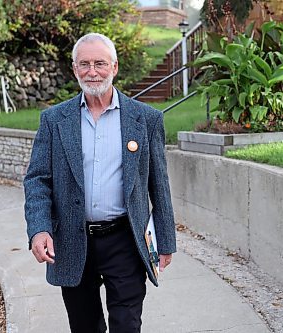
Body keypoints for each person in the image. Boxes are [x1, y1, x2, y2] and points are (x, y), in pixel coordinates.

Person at [23, 32, 176, 333]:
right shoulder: (54, 120)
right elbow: (37, 180)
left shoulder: (146, 119)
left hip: (125, 240)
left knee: (126, 324)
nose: (92, 72)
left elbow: (159, 184)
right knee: (84, 325)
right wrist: (39, 229)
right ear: (74, 69)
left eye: (100, 64)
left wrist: (165, 241)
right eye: (85, 64)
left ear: (115, 67)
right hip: (71, 239)